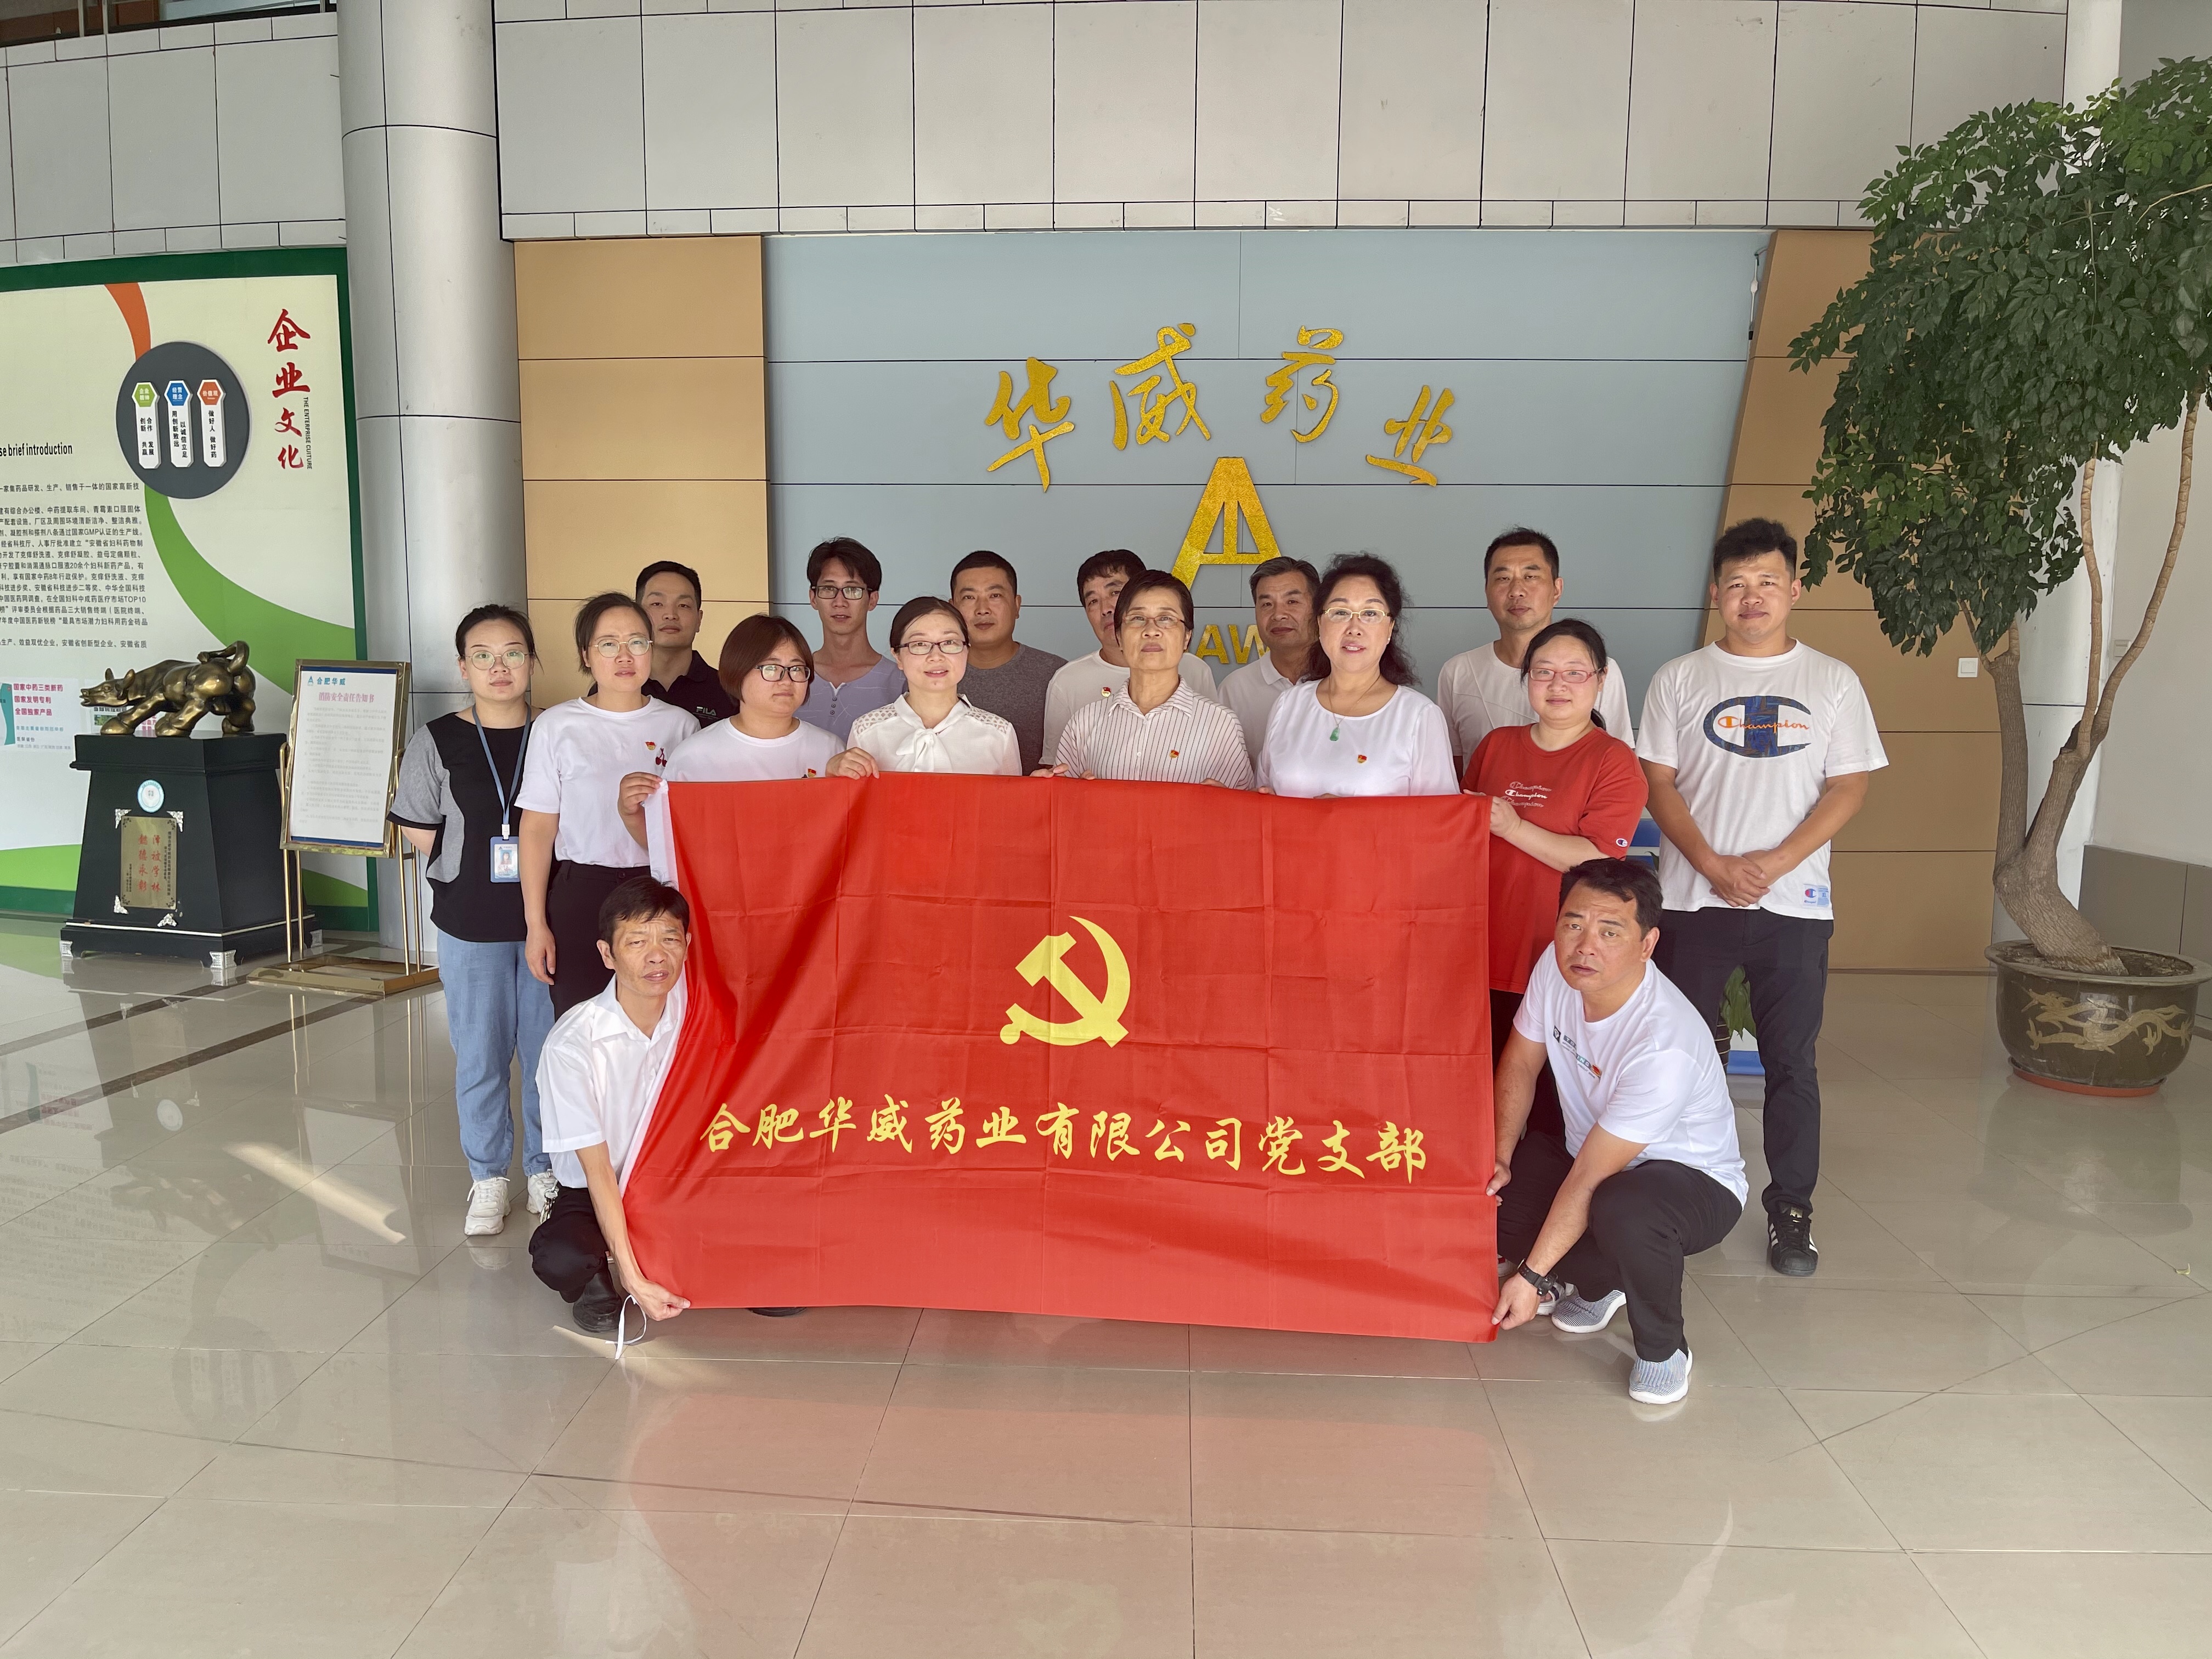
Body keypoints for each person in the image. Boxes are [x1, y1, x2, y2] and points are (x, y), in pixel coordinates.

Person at [1638, 517, 1886, 1278]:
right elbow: (1659, 783)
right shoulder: (1680, 678)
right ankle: (1671, 1194)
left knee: (1791, 1064)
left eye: (1768, 582)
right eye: (1738, 584)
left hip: (1795, 905)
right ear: (1716, 592)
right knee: (1679, 1055)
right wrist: (1712, 864)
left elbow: (1849, 788)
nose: (1752, 597)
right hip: (1693, 898)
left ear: (1795, 590)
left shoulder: (1833, 681)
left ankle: (1792, 1209)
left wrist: (1771, 865)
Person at [1489, 859, 1746, 1407]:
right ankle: (1603, 1282)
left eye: (1611, 932)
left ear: (1647, 944)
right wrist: (1500, 1157)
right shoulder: (1556, 968)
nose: (1585, 946)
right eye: (1573, 923)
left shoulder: (1663, 1043)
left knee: (1624, 1209)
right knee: (1498, 1202)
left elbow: (1589, 1177)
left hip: (1691, 1182)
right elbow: (1520, 1064)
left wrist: (1530, 1279)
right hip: (1593, 1156)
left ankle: (1664, 1349)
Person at [388, 604, 558, 1235]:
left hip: (550, 922)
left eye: (513, 653)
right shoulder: (437, 739)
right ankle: (488, 1177)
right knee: (480, 1057)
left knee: (547, 1058)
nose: (499, 667)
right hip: (470, 923)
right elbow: (418, 826)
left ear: (533, 661)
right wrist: (467, 864)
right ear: (463, 667)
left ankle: (545, 1171)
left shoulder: (558, 730)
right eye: (483, 656)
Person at [1466, 619, 1648, 1143]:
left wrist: (1514, 827)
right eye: (1544, 672)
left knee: (1548, 1104)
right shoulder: (1496, 745)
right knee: (1477, 1091)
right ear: (1526, 679)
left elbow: (1597, 856)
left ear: (1601, 680)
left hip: (1557, 958)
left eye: (1574, 672)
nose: (1558, 685)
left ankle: (1537, 1189)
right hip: (1481, 944)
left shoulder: (1613, 760)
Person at [518, 594, 699, 1020]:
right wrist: (536, 924)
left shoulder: (681, 726)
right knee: (582, 1020)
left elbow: (691, 830)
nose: (624, 656)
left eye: (636, 642)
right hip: (582, 891)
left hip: (658, 888)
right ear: (586, 655)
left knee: (663, 1019)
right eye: (608, 644)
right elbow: (538, 830)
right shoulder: (556, 726)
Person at [529, 876, 696, 1336]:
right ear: (607, 954)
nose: (656, 956)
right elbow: (598, 1170)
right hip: (598, 1184)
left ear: (687, 946)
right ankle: (597, 1272)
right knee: (562, 1257)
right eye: (637, 942)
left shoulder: (698, 1018)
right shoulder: (572, 1044)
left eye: (669, 939)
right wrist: (632, 1276)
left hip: (673, 1179)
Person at [624, 614, 842, 885]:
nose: (787, 680)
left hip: (809, 899)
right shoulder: (695, 755)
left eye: (797, 669)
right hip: (724, 898)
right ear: (737, 672)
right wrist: (631, 814)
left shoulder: (831, 750)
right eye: (771, 668)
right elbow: (669, 846)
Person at [1255, 553, 1457, 798]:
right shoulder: (1289, 704)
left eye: (1371, 613)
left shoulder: (1419, 715)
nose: (1354, 628)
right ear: (1320, 623)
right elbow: (1263, 801)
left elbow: (1441, 817)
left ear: (1390, 628)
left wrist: (1347, 816)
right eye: (1340, 612)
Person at [1436, 528, 1634, 769]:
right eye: (1503, 578)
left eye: (1530, 577)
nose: (1517, 591)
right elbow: (1451, 769)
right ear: (1487, 592)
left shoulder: (1595, 670)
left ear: (1557, 590)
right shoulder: (1457, 672)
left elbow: (1618, 764)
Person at [1048, 571, 1252, 787]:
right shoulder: (1084, 723)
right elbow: (1060, 801)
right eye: (1137, 619)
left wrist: (1225, 801)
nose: (1151, 631)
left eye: (1166, 619)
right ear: (1119, 637)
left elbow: (1240, 806)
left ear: (1187, 637)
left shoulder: (1221, 725)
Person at [1040, 549, 1220, 763]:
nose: (1106, 609)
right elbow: (1058, 770)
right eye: (1093, 601)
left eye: (1115, 593)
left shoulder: (1195, 670)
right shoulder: (1068, 681)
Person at [830, 597, 1022, 777]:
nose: (936, 656)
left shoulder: (999, 734)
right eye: (920, 644)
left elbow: (1013, 801)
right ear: (897, 656)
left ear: (966, 650)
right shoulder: (867, 731)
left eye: (949, 642)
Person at [949, 550, 1065, 773]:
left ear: (1017, 605)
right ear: (952, 609)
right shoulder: (932, 676)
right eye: (969, 597)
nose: (982, 609)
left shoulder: (1058, 676)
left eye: (995, 595)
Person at [796, 536, 904, 740]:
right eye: (828, 589)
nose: (840, 602)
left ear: (872, 600)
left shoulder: (901, 682)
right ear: (813, 598)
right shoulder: (793, 676)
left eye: (853, 590)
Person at [1220, 555, 1319, 762]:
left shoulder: (1343, 680)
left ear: (1318, 609)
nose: (1278, 615)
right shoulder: (1235, 689)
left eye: (1292, 602)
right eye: (1266, 604)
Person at [637, 558, 737, 726]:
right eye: (657, 604)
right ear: (637, 615)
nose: (670, 615)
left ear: (699, 619)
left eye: (683, 605)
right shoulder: (616, 689)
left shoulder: (729, 694)